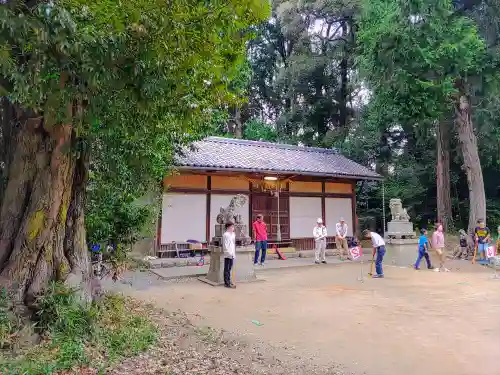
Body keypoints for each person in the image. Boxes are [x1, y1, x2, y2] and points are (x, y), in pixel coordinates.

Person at [223, 222, 236, 289]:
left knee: (230, 268)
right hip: (228, 254)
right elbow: (225, 245)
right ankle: (226, 283)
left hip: (232, 253)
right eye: (232, 226)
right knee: (227, 268)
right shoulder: (226, 235)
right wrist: (228, 253)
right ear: (228, 227)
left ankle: (229, 280)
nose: (233, 228)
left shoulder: (233, 234)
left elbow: (233, 244)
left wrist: (233, 253)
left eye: (233, 227)